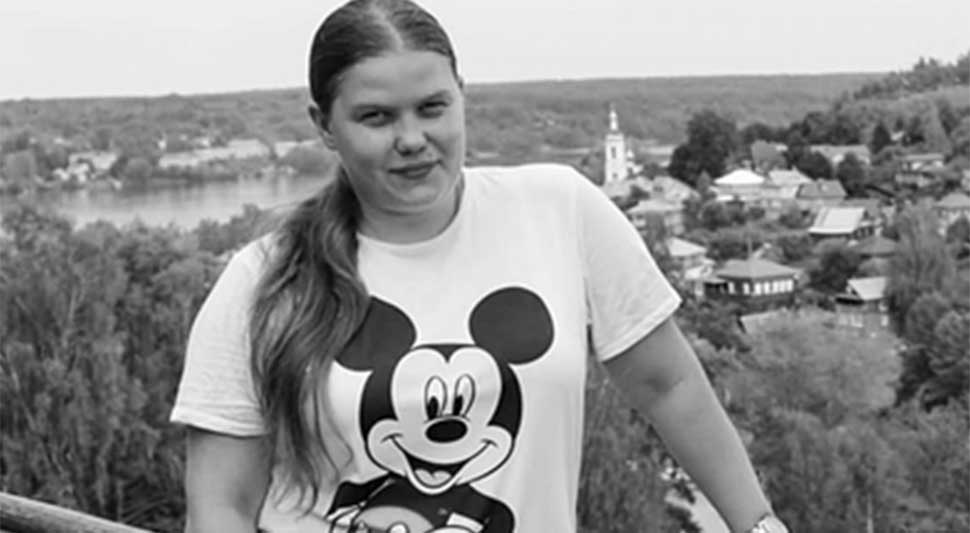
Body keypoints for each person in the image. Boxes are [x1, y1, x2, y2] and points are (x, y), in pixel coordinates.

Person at [170, 1, 789, 532]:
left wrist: (760, 527)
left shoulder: (559, 210)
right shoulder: (265, 280)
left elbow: (669, 387)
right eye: (376, 116)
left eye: (432, 107)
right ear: (324, 126)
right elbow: (223, 503)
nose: (411, 138)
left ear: (462, 97)